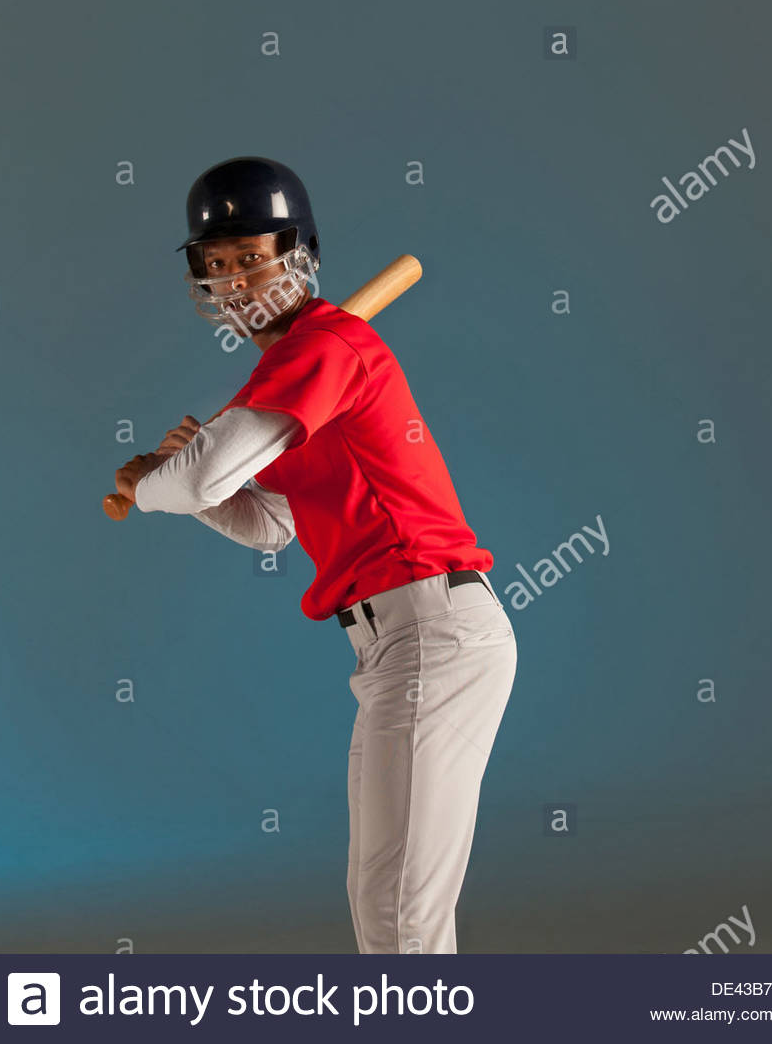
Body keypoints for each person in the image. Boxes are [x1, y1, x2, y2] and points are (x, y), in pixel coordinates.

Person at [114, 156, 517, 954]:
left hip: (434, 627)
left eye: (252, 254)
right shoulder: (291, 366)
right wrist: (191, 480)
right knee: (382, 897)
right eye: (217, 263)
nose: (236, 278)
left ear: (298, 252)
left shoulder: (326, 346)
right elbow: (268, 523)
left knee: (402, 913)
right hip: (393, 643)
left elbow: (196, 479)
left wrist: (159, 478)